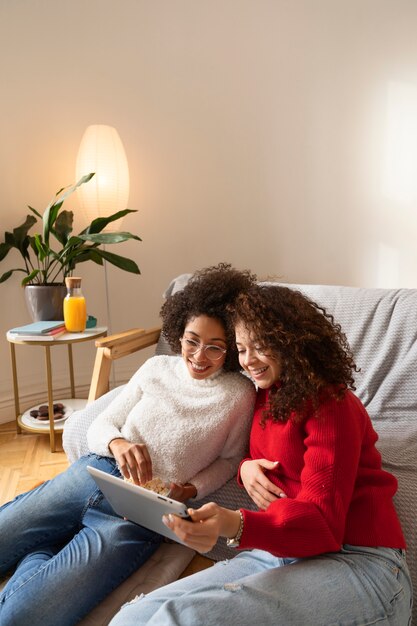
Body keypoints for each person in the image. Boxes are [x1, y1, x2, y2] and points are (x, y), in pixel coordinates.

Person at [110, 282, 413, 626]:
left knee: (186, 618)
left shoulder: (332, 405)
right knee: (132, 617)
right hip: (283, 554)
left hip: (361, 564)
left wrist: (233, 523)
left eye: (260, 346)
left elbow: (323, 526)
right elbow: (247, 457)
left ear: (291, 341)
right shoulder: (263, 398)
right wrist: (245, 468)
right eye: (241, 349)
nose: (249, 360)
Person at [0, 264, 257, 626]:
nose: (199, 356)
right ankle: (54, 533)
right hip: (94, 473)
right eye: (191, 341)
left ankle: (48, 542)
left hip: (139, 515)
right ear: (179, 332)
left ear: (231, 348)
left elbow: (231, 461)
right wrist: (118, 443)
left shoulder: (239, 394)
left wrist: (192, 488)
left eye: (215, 348)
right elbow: (102, 424)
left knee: (21, 618)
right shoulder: (156, 369)